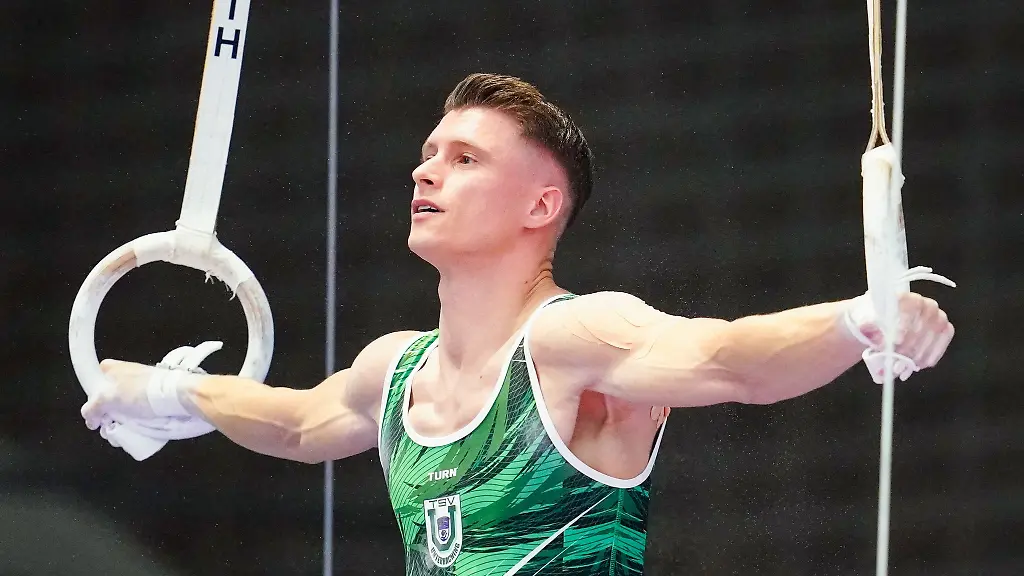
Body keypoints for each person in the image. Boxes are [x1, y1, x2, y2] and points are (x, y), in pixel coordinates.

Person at [81, 73, 955, 575]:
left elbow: (730, 360)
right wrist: (171, 390)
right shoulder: (394, 370)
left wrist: (858, 321)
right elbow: (298, 424)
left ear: (541, 205)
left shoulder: (572, 341)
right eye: (428, 154)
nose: (426, 172)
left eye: (465, 159)